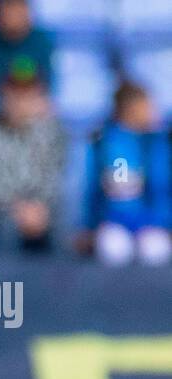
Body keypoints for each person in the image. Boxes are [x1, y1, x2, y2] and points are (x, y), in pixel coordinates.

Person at [0, 70, 66, 255]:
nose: (21, 102)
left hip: (41, 210)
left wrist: (39, 207)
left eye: (28, 96)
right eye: (15, 95)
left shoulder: (51, 133)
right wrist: (17, 209)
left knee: (64, 224)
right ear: (2, 96)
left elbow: (57, 177)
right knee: (7, 228)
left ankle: (65, 283)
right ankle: (8, 283)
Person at [81, 81, 172, 268]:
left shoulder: (161, 142)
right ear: (128, 109)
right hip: (115, 221)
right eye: (145, 106)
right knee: (114, 252)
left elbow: (165, 188)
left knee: (156, 253)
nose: (151, 111)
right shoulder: (105, 142)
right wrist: (87, 227)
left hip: (152, 222)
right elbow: (91, 188)